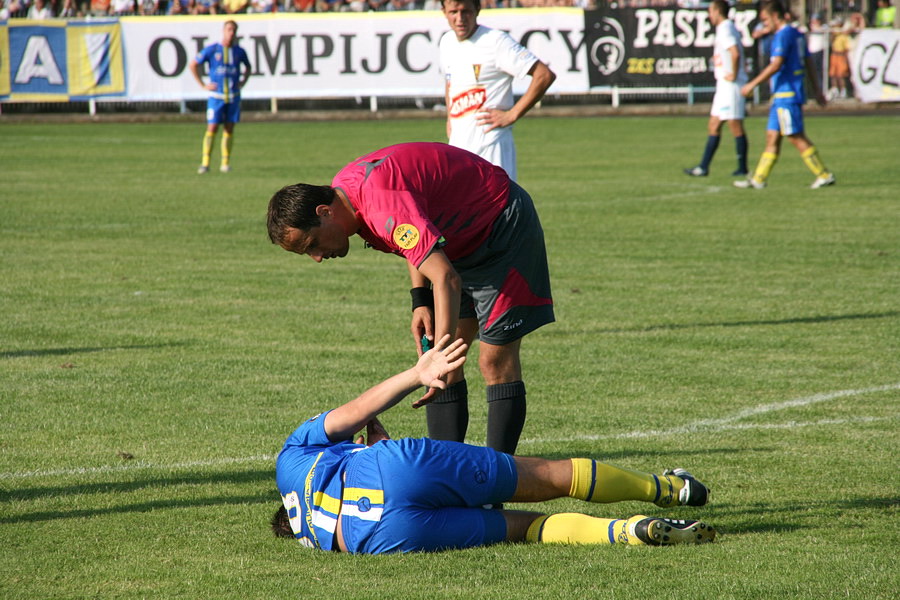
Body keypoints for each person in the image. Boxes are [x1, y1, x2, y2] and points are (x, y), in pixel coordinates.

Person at [272, 335, 716, 554]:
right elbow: (354, 414)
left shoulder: (308, 531)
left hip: (374, 534)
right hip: (389, 468)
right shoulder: (290, 462)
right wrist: (415, 374)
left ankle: (626, 532)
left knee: (523, 528)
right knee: (547, 476)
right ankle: (671, 488)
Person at [266, 142, 554, 459]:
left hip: (501, 228)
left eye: (312, 245)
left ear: (324, 212)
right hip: (457, 242)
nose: (317, 258)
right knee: (447, 366)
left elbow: (445, 278)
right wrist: (420, 300)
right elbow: (413, 237)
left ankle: (499, 481)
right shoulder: (348, 196)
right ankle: (449, 479)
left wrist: (437, 358)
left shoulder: (378, 204)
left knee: (492, 363)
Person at [439, 0, 556, 182]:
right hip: (459, 147)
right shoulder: (446, 42)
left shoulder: (495, 41)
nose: (460, 19)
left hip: (491, 145)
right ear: (444, 12)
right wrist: (450, 117)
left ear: (477, 10)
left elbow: (544, 75)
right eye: (453, 12)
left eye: (466, 11)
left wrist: (512, 114)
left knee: (497, 208)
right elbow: (450, 81)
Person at [734, 1, 835, 190]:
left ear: (775, 16)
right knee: (772, 136)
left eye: (765, 20)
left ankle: (824, 175)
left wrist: (752, 84)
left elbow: (776, 64)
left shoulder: (782, 36)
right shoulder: (797, 34)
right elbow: (809, 63)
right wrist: (817, 90)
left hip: (787, 94)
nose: (765, 24)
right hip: (781, 95)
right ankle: (758, 179)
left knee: (795, 136)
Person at [684, 0, 749, 178]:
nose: (709, 14)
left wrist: (733, 74)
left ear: (718, 11)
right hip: (723, 85)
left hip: (731, 85)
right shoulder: (724, 28)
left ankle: (742, 168)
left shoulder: (726, 28)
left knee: (735, 125)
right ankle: (703, 167)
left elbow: (734, 53)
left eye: (711, 10)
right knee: (714, 124)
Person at [189, 20, 251, 174]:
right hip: (216, 97)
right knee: (212, 127)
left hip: (233, 96)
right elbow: (193, 64)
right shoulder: (212, 49)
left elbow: (248, 67)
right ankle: (205, 162)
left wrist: (242, 81)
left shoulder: (239, 51)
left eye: (234, 30)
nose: (231, 33)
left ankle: (225, 163)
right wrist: (203, 85)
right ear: (223, 31)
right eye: (229, 29)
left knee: (229, 129)